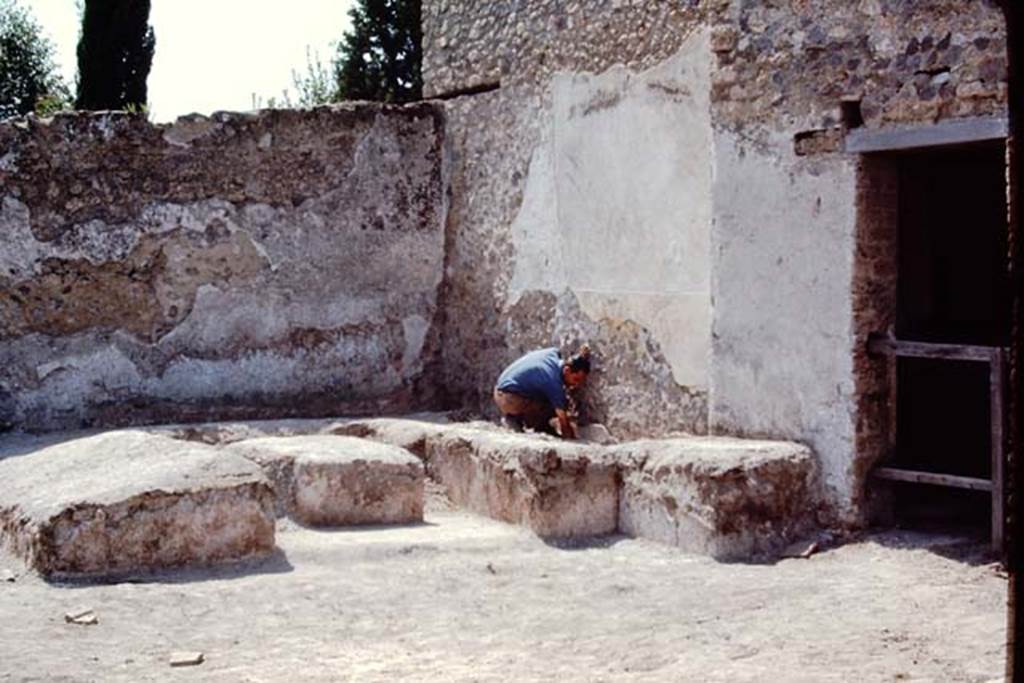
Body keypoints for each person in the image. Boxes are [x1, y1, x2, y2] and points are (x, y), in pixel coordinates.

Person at [493, 345, 591, 439]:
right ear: (567, 370)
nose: (577, 384)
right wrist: (569, 437)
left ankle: (520, 419)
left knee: (546, 396)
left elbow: (571, 362)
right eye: (576, 379)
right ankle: (515, 420)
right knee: (552, 405)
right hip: (508, 399)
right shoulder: (553, 382)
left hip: (500, 388)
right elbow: (562, 418)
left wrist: (582, 358)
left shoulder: (553, 353)